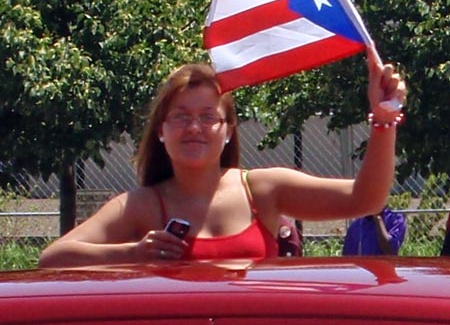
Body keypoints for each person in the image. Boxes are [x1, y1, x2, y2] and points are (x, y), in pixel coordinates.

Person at [39, 48, 406, 267]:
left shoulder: (264, 190)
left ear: (228, 129)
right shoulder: (139, 206)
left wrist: (384, 120)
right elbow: (52, 260)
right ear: (161, 131)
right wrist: (133, 253)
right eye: (180, 116)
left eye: (207, 117)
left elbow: (367, 198)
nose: (194, 127)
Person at [342, 207, 406, 256]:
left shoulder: (395, 219)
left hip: (384, 270)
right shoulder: (356, 225)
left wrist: (377, 218)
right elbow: (348, 258)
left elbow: (390, 251)